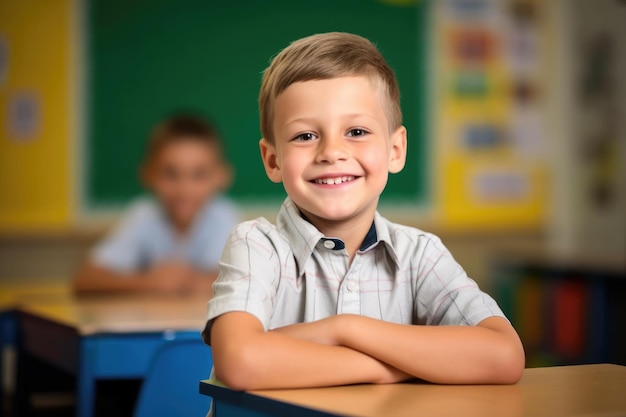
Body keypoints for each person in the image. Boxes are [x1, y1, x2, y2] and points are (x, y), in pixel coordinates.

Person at [204, 32, 524, 390]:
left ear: (395, 150)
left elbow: (503, 355)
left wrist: (347, 328)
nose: (332, 152)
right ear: (273, 160)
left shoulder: (420, 255)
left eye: (356, 131)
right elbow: (240, 362)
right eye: (305, 136)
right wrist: (392, 366)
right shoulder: (256, 245)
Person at [74, 114, 239, 295]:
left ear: (222, 176)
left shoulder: (224, 217)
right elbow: (85, 280)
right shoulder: (143, 215)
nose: (183, 189)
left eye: (198, 175)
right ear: (149, 174)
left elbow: (241, 280)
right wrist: (148, 282)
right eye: (171, 174)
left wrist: (192, 282)